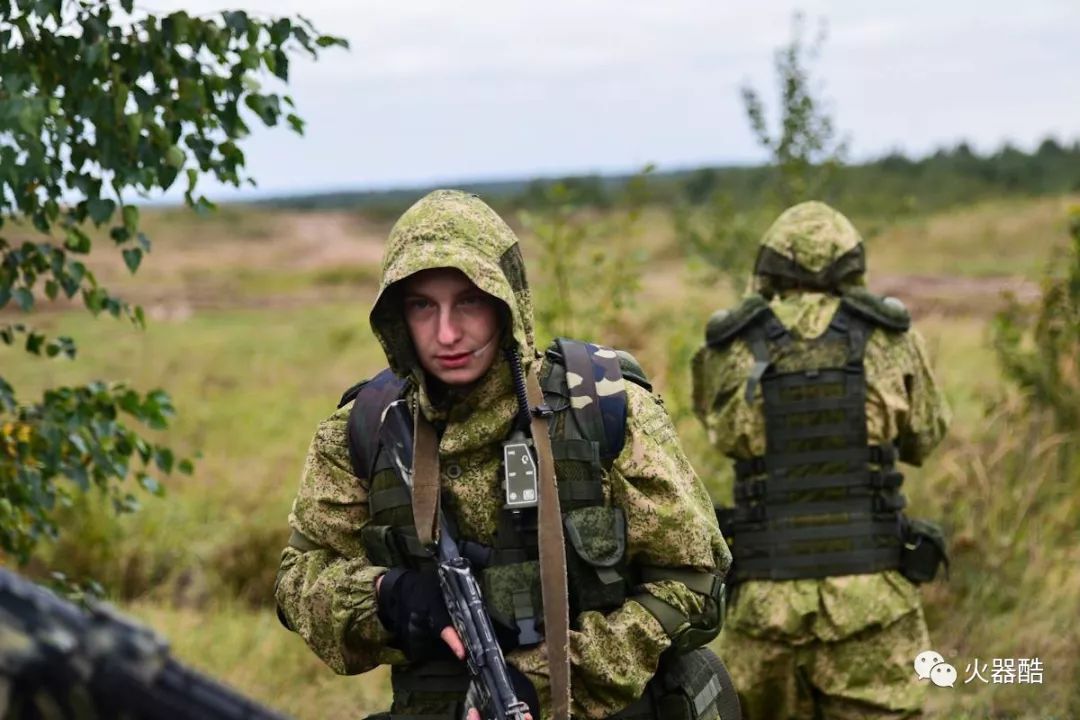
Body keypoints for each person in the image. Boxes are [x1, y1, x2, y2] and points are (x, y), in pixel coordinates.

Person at [275, 190, 733, 720]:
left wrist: (550, 678)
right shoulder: (365, 430)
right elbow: (297, 582)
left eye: (468, 300)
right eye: (424, 306)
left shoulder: (602, 410)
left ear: (504, 302)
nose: (447, 333)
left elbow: (694, 583)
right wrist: (385, 596)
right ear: (398, 318)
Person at [691, 201, 951, 719]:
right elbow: (925, 436)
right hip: (872, 604)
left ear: (767, 267)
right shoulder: (892, 338)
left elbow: (716, 429)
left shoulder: (730, 345)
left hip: (766, 607)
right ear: (853, 265)